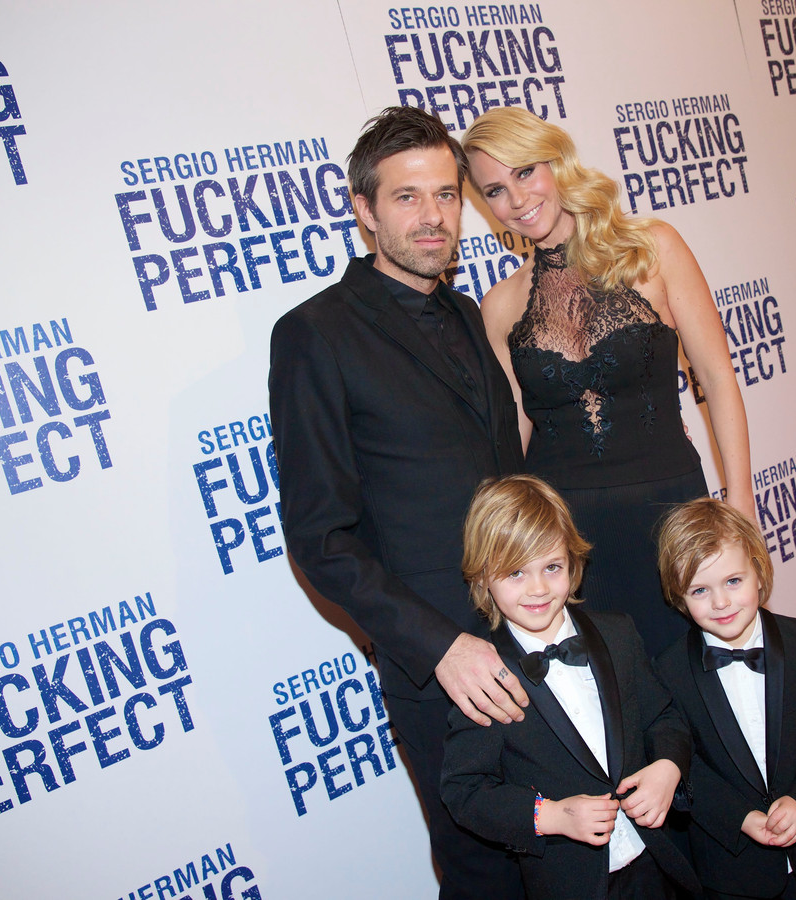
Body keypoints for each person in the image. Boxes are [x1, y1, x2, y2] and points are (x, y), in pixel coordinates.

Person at [268, 106, 527, 900]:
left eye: (446, 195)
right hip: (441, 667)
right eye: (407, 197)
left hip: (531, 630)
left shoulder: (466, 311)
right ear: (365, 209)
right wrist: (441, 647)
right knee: (485, 873)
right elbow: (321, 537)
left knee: (559, 854)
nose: (432, 216)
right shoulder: (314, 334)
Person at [462, 106, 755, 657]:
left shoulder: (653, 249)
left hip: (671, 509)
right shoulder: (500, 305)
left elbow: (717, 378)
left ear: (556, 162)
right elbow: (514, 437)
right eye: (495, 190)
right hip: (568, 536)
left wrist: (739, 500)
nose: (517, 199)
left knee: (697, 672)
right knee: (612, 685)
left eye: (525, 172)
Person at [440, 474, 701, 900]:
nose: (538, 588)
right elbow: (464, 791)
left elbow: (664, 716)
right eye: (516, 572)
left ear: (573, 564)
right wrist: (551, 816)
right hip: (570, 884)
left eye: (552, 567)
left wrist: (669, 767)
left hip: (656, 863)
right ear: (484, 578)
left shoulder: (618, 634)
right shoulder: (484, 678)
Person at [651, 499, 796, 900]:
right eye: (700, 590)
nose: (720, 602)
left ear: (758, 571)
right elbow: (683, 768)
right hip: (735, 873)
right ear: (678, 596)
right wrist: (739, 817)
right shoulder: (668, 672)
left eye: (733, 581)